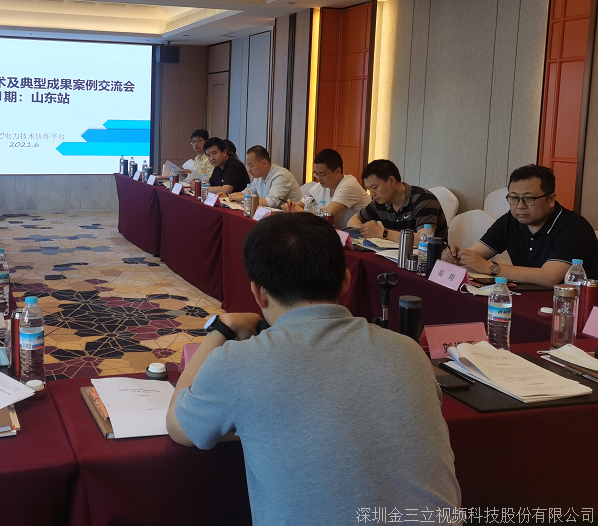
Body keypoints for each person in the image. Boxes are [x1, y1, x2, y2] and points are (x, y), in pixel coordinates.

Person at [166, 213, 460, 524]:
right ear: (345, 281)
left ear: (258, 292)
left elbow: (179, 426)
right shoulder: (409, 352)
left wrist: (221, 330)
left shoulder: (236, 363)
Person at [442, 164, 598, 286]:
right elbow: (476, 254)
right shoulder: (510, 220)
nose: (520, 206)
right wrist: (457, 257)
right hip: (529, 296)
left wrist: (490, 267)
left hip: (575, 305)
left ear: (551, 199)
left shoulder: (574, 228)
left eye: (529, 199)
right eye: (514, 198)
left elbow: (550, 277)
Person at [347, 159, 448, 243]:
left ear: (392, 180)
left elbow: (424, 239)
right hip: (393, 254)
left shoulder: (424, 199)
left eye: (375, 187)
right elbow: (352, 221)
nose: (372, 194)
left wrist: (382, 233)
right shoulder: (379, 202)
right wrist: (368, 231)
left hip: (429, 257)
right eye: (369, 189)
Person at [285, 149, 371, 228]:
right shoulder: (321, 186)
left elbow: (325, 218)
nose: (319, 178)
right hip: (340, 232)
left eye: (322, 174)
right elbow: (296, 206)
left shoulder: (348, 185)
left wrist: (300, 212)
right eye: (316, 174)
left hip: (364, 235)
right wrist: (290, 207)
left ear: (337, 171)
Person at [228, 145, 302, 209]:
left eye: (251, 166)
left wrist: (244, 198)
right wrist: (228, 196)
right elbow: (246, 193)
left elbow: (271, 202)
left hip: (290, 217)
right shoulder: (258, 176)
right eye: (248, 166)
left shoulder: (281, 175)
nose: (249, 170)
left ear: (264, 163)